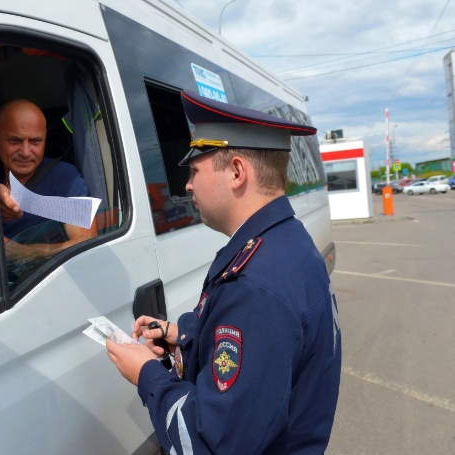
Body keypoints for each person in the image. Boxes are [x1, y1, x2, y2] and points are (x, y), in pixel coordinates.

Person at [106, 91, 341, 454]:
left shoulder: (256, 287)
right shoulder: (284, 244)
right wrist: (183, 334)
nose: (187, 185)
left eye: (195, 170)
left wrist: (146, 375)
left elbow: (209, 443)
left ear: (235, 171)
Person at [0, 99, 97, 263]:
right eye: (15, 141)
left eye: (35, 141)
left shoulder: (64, 178)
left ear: (45, 138)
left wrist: (22, 252)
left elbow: (87, 242)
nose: (26, 152)